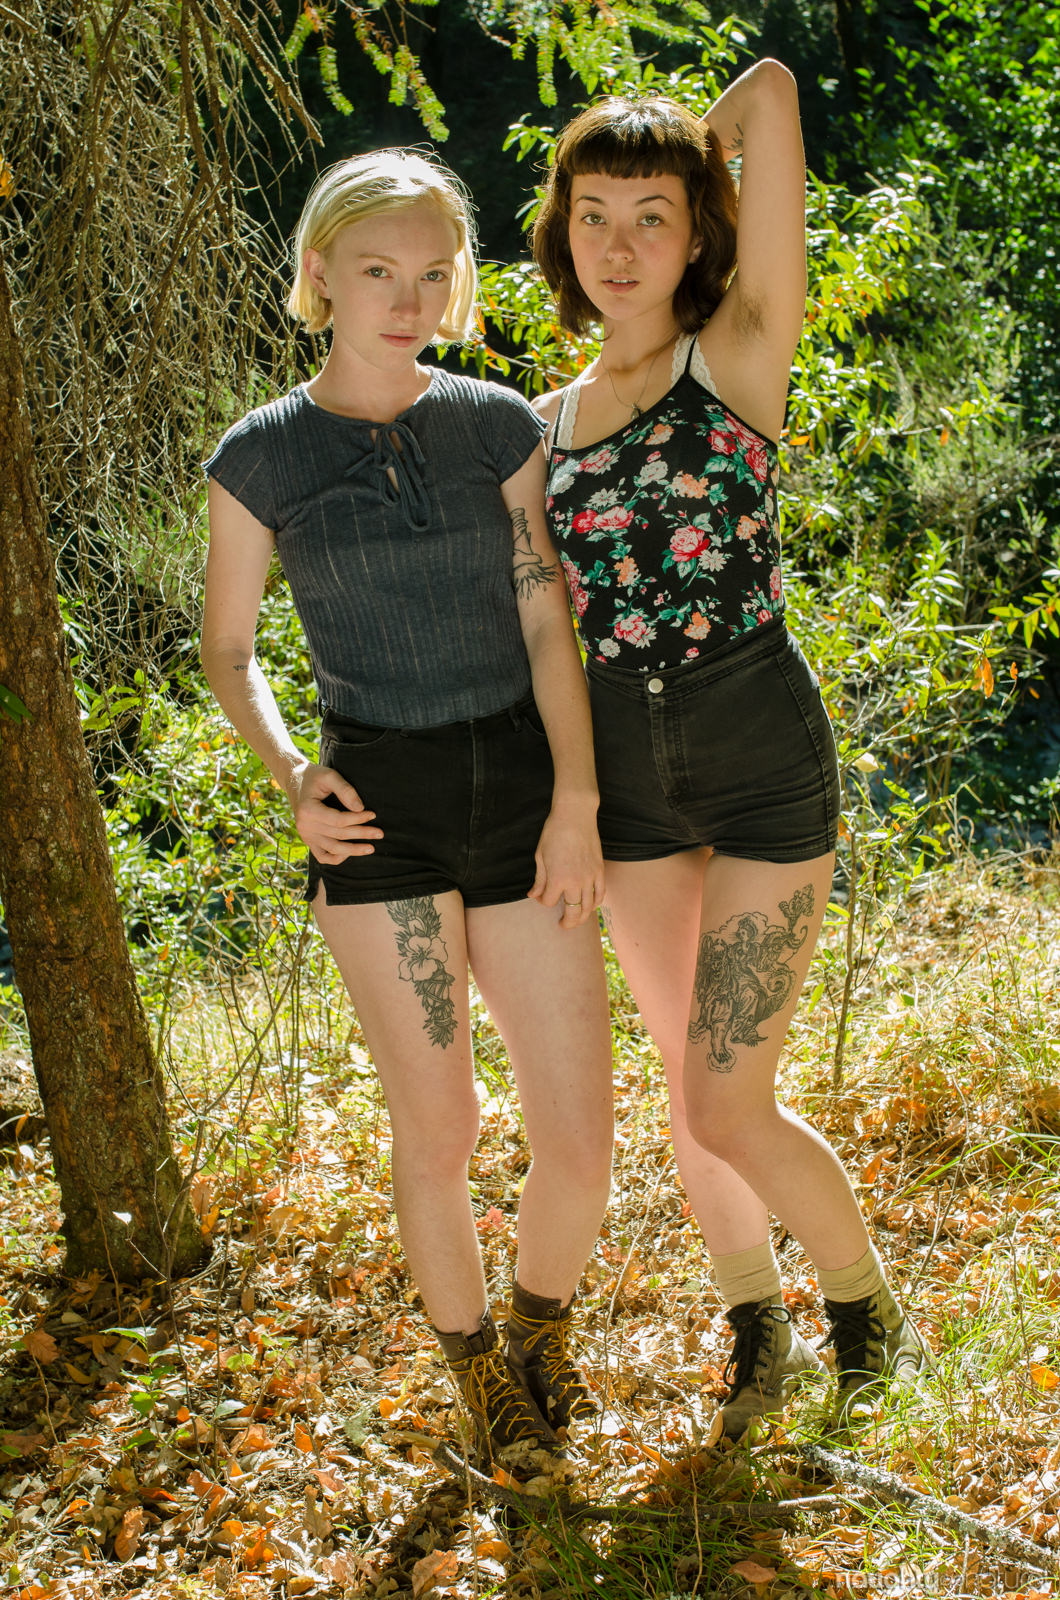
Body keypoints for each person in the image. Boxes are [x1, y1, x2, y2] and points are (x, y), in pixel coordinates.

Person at [531, 61, 929, 1432]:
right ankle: (756, 1322)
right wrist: (571, 800)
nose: (621, 246)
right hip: (632, 792)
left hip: (760, 756)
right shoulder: (541, 429)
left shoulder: (740, 349)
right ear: (561, 235)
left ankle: (863, 1308)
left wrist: (672, 145)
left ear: (700, 229)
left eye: (654, 217)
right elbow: (546, 634)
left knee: (726, 1096)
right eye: (594, 215)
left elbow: (769, 95)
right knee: (689, 1084)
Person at [200, 149, 614, 1468]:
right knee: (441, 1126)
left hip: (523, 796)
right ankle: (482, 1379)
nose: (408, 301)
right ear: (319, 272)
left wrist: (577, 800)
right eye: (379, 272)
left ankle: (538, 1334)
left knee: (581, 1137)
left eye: (434, 276)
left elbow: (546, 618)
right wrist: (291, 776)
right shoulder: (261, 456)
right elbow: (228, 651)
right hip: (377, 814)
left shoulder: (497, 424)